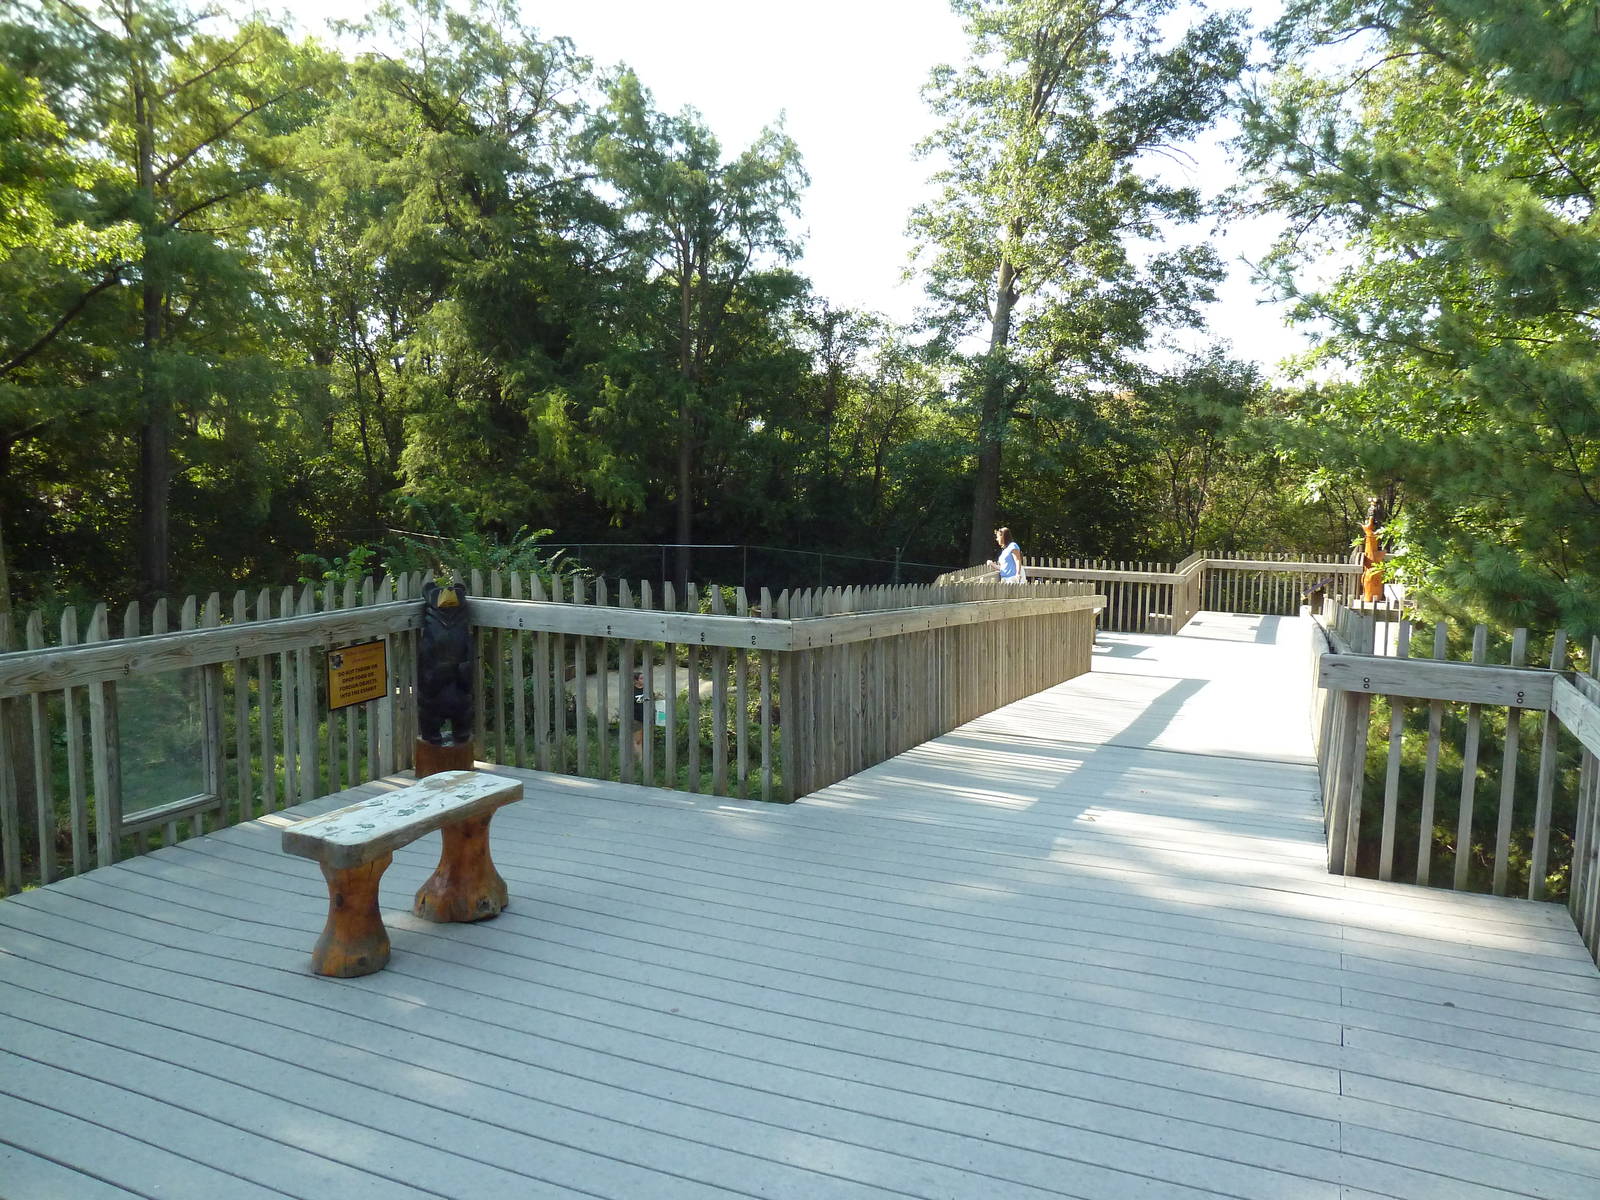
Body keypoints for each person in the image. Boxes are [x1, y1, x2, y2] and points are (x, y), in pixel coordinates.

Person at [631, 669, 648, 758]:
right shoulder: (632, 691)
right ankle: (639, 760)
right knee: (638, 740)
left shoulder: (647, 689)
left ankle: (641, 758)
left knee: (644, 739)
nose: (644, 680)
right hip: (636, 719)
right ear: (636, 680)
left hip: (646, 718)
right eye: (641, 678)